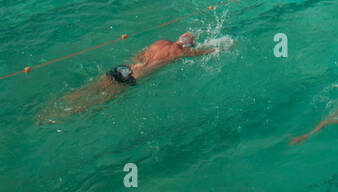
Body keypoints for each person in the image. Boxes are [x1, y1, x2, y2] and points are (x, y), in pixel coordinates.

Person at [44, 33, 217, 117]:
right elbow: (208, 52)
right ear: (189, 46)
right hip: (134, 78)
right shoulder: (182, 53)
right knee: (98, 101)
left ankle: (63, 102)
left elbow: (139, 55)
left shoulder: (161, 42)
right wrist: (225, 46)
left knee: (91, 88)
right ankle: (68, 114)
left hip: (125, 68)